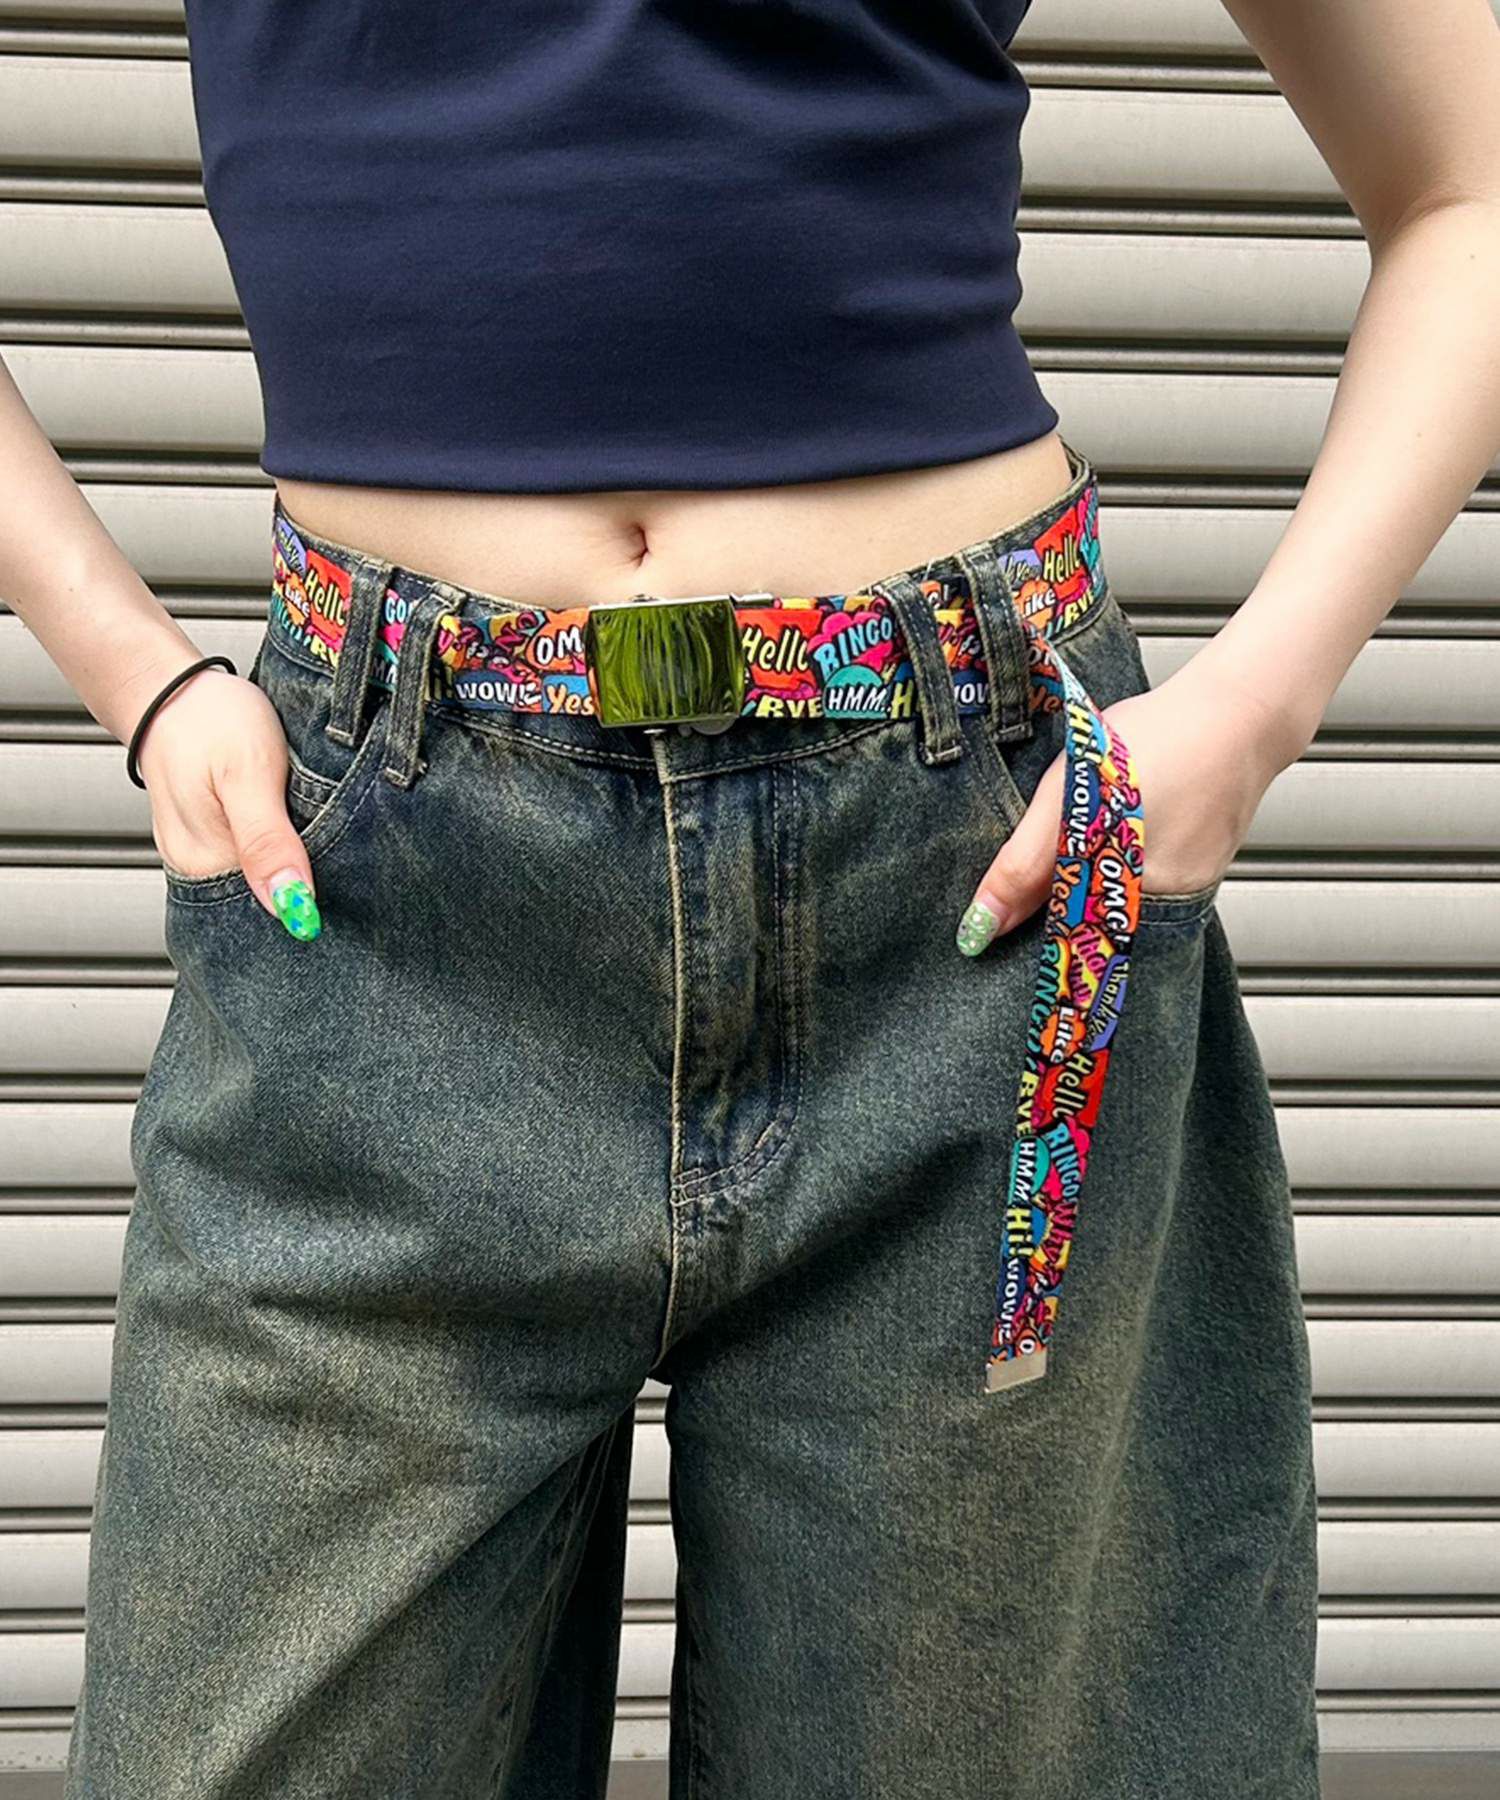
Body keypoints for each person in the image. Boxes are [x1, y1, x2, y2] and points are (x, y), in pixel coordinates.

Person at [5, 1, 1496, 1795]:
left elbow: (1470, 178)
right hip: (382, 891)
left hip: (970, 903)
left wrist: (1258, 711)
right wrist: (140, 680)